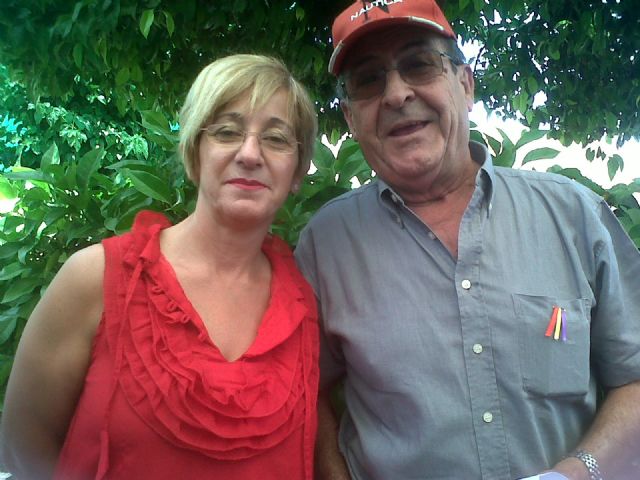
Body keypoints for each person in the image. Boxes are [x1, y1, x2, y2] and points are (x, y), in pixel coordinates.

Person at [294, 1, 640, 479]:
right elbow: (301, 389)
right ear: (351, 118)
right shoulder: (326, 245)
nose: (396, 94)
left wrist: (577, 473)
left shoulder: (573, 216)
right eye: (369, 80)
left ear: (466, 84)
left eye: (419, 64)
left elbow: (634, 377)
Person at [1, 54, 319, 480]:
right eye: (226, 132)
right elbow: (24, 451)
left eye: (276, 139)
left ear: (297, 170)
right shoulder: (95, 278)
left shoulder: (303, 304)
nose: (249, 154)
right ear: (194, 153)